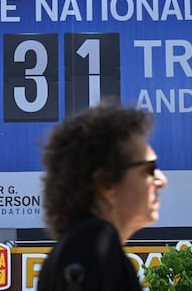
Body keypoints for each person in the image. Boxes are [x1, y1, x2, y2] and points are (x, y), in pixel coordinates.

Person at [37, 101, 168, 291]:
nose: (161, 180)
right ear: (106, 184)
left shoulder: (80, 244)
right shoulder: (94, 243)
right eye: (149, 170)